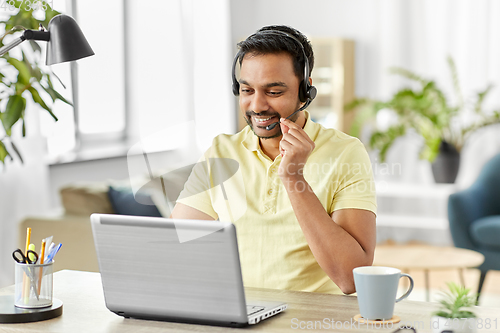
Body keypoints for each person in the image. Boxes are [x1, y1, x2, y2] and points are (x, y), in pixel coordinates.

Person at [171, 25, 376, 295]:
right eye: (247, 90)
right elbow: (179, 249)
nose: (257, 105)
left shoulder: (346, 153)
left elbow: (351, 278)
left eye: (274, 92)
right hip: (238, 314)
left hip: (312, 320)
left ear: (306, 91)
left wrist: (293, 179)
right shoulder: (221, 151)